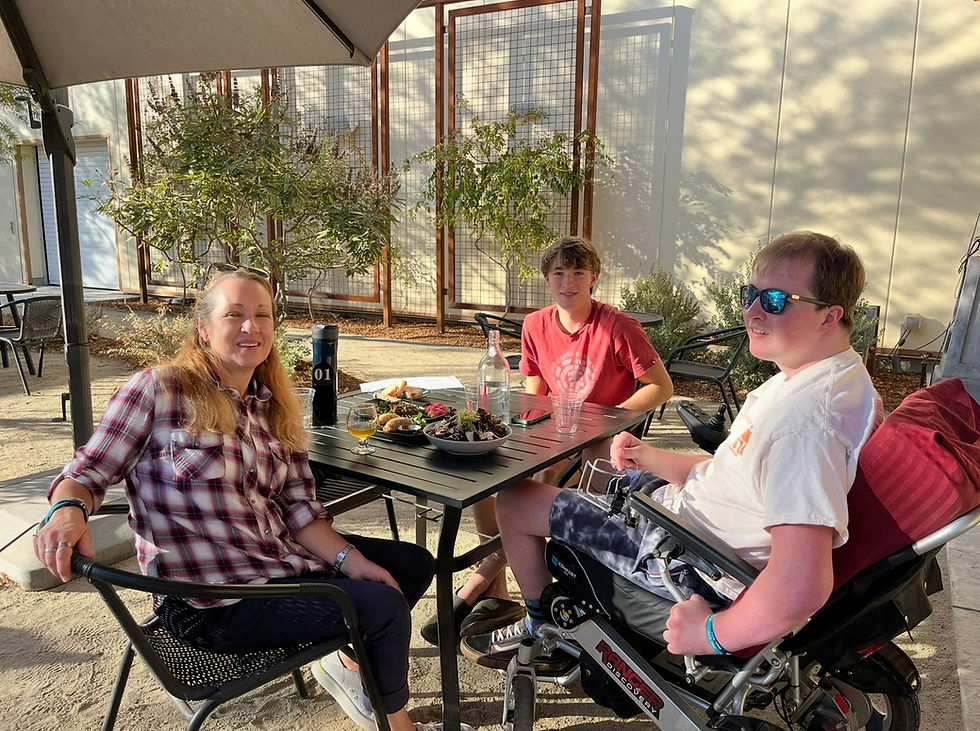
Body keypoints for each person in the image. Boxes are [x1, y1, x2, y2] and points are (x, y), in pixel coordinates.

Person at [33, 269, 469, 731]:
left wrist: (351, 561)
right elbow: (87, 471)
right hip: (213, 603)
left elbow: (299, 510)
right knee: (381, 608)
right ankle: (395, 723)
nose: (251, 327)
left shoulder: (273, 406)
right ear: (204, 329)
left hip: (277, 563)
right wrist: (67, 511)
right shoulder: (160, 390)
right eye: (234, 314)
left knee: (412, 564)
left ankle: (348, 665)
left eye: (262, 315)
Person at [460, 230, 882, 667]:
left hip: (686, 558)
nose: (753, 311)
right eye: (750, 295)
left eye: (775, 300)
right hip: (683, 515)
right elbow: (738, 473)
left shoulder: (807, 423)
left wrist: (711, 634)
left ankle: (541, 627)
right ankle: (528, 589)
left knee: (516, 499)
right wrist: (651, 458)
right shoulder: (817, 377)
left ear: (829, 316)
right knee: (599, 464)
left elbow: (802, 585)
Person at [420, 236, 673, 647]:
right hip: (554, 431)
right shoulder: (535, 324)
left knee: (539, 486)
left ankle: (483, 579)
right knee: (486, 476)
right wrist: (527, 431)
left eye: (578, 273)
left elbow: (661, 386)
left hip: (600, 442)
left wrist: (608, 418)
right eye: (558, 273)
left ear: (594, 277)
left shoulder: (618, 326)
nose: (568, 282)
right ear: (546, 278)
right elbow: (534, 391)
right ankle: (498, 593)